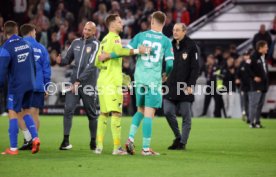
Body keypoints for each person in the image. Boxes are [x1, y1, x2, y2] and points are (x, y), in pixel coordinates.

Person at [94, 14, 148, 155]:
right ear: (112, 25)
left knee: (103, 114)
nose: (122, 24)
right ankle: (117, 148)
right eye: (119, 22)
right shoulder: (115, 37)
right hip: (112, 82)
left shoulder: (104, 39)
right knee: (117, 113)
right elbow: (119, 52)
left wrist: (118, 72)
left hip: (103, 79)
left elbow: (97, 62)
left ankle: (99, 146)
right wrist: (138, 50)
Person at [124, 11, 174, 155]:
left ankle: (130, 139)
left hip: (139, 78)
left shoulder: (140, 36)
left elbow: (126, 51)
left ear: (152, 21)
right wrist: (166, 74)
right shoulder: (166, 41)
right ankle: (145, 149)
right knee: (149, 114)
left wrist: (138, 51)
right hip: (153, 80)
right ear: (164, 23)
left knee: (140, 110)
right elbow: (170, 64)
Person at [55, 21, 100, 150]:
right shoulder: (75, 43)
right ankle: (65, 141)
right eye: (85, 29)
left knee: (91, 114)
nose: (86, 32)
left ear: (94, 32)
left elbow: (91, 65)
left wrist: (79, 81)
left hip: (88, 84)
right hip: (73, 83)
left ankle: (93, 141)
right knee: (68, 109)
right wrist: (60, 61)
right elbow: (67, 59)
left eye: (89, 30)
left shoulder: (96, 44)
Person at [0, 21, 40, 155]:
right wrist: (33, 81)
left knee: (12, 113)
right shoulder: (27, 43)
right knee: (26, 112)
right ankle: (35, 138)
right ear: (17, 30)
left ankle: (13, 148)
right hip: (31, 83)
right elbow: (33, 65)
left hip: (16, 86)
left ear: (4, 32)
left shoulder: (5, 48)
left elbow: (2, 71)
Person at [163, 23, 199, 150]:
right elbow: (165, 63)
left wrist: (190, 85)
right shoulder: (170, 45)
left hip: (184, 87)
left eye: (178, 30)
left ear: (184, 31)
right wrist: (163, 75)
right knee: (167, 111)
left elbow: (195, 68)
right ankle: (178, 137)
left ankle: (182, 143)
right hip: (171, 86)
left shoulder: (191, 46)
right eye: (174, 30)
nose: (175, 32)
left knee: (186, 116)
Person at [17, 23, 51, 150]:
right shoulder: (41, 48)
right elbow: (47, 69)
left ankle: (28, 139)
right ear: (31, 32)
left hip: (22, 85)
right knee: (35, 113)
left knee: (18, 113)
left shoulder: (17, 46)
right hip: (38, 84)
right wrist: (46, 85)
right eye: (35, 33)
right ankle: (34, 140)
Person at [248, 40, 269, 128]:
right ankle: (251, 122)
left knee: (260, 104)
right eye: (266, 46)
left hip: (264, 84)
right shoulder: (253, 56)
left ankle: (257, 122)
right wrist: (253, 77)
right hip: (256, 84)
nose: (267, 48)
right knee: (254, 103)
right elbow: (247, 69)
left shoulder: (263, 57)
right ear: (260, 48)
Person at [236, 51, 252, 123]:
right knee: (243, 102)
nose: (246, 56)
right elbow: (237, 74)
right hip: (243, 87)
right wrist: (237, 79)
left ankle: (250, 116)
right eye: (245, 55)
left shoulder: (252, 63)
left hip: (251, 87)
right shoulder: (242, 64)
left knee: (250, 102)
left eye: (247, 55)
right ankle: (244, 114)